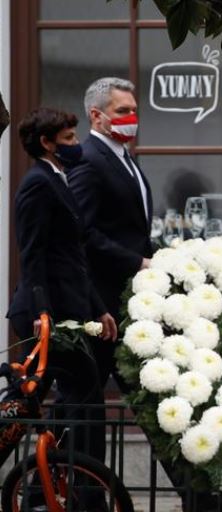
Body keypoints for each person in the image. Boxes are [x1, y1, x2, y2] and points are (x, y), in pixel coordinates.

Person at [7, 107, 117, 508]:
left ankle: (44, 490)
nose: (76, 145)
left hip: (69, 309)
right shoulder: (38, 184)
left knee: (73, 399)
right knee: (77, 396)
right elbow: (32, 254)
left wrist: (99, 308)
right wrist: (42, 313)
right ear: (46, 144)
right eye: (68, 139)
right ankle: (76, 493)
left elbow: (73, 257)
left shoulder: (59, 179)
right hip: (48, 314)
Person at [69, 77, 153, 391]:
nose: (131, 118)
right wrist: (138, 262)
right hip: (101, 305)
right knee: (86, 399)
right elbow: (83, 232)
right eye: (122, 110)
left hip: (130, 302)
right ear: (96, 115)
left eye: (134, 110)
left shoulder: (124, 158)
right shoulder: (89, 160)